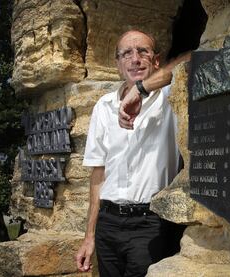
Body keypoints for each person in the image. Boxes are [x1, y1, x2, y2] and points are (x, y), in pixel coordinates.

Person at [75, 30, 190, 277]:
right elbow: (98, 174)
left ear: (156, 61)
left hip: (150, 224)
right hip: (108, 223)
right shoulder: (103, 107)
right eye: (126, 53)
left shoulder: (170, 97)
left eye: (143, 52)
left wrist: (140, 89)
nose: (134, 59)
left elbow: (193, 59)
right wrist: (89, 236)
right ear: (117, 64)